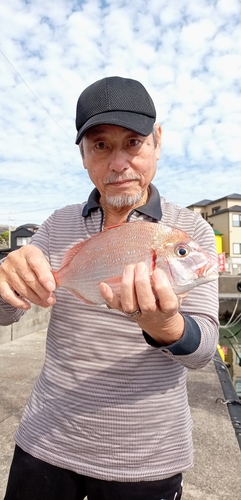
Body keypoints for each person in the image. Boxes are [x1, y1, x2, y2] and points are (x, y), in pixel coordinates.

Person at [0, 76, 219, 500]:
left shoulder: (190, 232)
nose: (119, 163)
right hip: (45, 440)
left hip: (147, 458)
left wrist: (166, 325)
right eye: (100, 146)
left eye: (133, 142)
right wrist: (3, 282)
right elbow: (8, 311)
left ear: (157, 140)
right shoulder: (57, 225)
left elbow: (205, 347)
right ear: (83, 155)